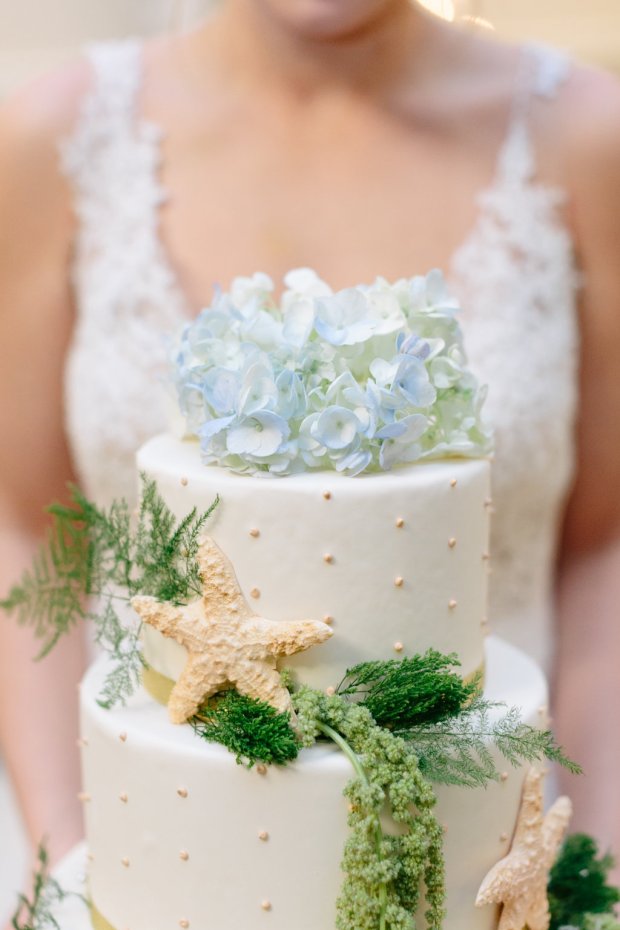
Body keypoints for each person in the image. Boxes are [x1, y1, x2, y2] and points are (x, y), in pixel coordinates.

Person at [1, 0, 619, 900]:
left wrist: (590, 872)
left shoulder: (591, 137)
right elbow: (27, 532)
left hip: (484, 863)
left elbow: (606, 545)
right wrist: (67, 876)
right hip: (137, 845)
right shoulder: (48, 136)